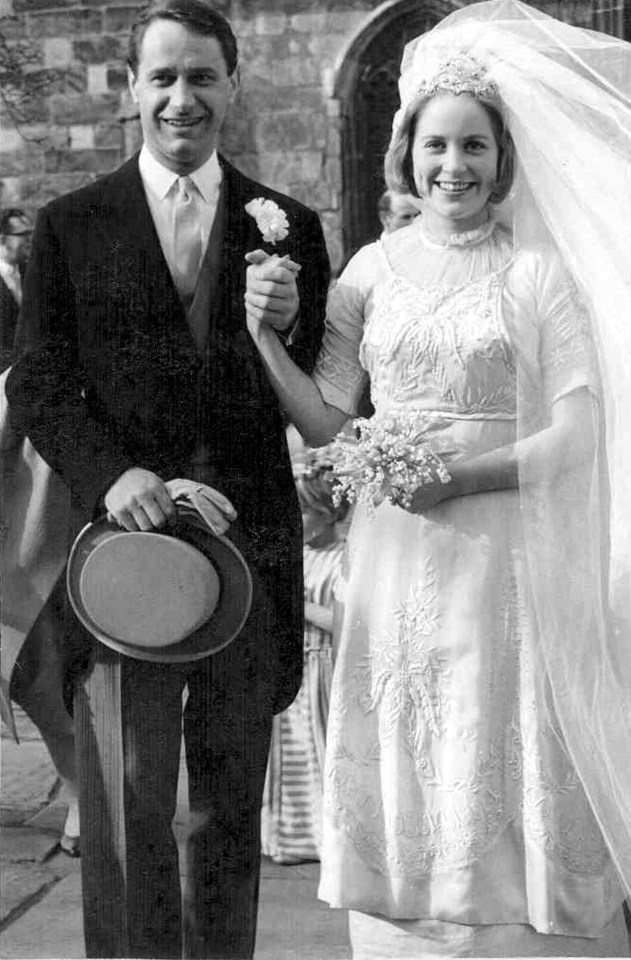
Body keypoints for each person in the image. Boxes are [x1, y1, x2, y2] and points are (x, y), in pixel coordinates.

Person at [243, 1, 631, 956]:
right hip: (394, 540)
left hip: (501, 539)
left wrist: (468, 478)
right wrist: (261, 339)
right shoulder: (369, 272)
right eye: (434, 147)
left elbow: (581, 427)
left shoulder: (537, 273)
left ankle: (509, 912)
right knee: (409, 706)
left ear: (503, 160)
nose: (452, 167)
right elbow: (333, 417)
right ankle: (411, 906)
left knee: (491, 707)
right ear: (404, 155)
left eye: (473, 148)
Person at [5, 0, 329, 955]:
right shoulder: (69, 225)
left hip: (248, 548)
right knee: (127, 801)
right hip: (122, 555)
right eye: (163, 77)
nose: (181, 98)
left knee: (225, 803)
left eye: (201, 77)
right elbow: (39, 378)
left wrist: (285, 321)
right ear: (131, 91)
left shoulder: (290, 227)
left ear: (232, 85)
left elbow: (309, 388)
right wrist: (114, 475)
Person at [261, 426, 347, 865]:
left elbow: (342, 620)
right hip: (297, 666)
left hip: (325, 672)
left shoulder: (341, 559)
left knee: (323, 750)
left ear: (329, 512)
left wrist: (297, 607)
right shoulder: (301, 555)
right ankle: (292, 836)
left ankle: (329, 837)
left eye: (305, 515)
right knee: (293, 752)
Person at [0, 208, 32, 372]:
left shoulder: (35, 273)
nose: (30, 239)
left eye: (31, 232)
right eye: (23, 234)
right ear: (3, 240)